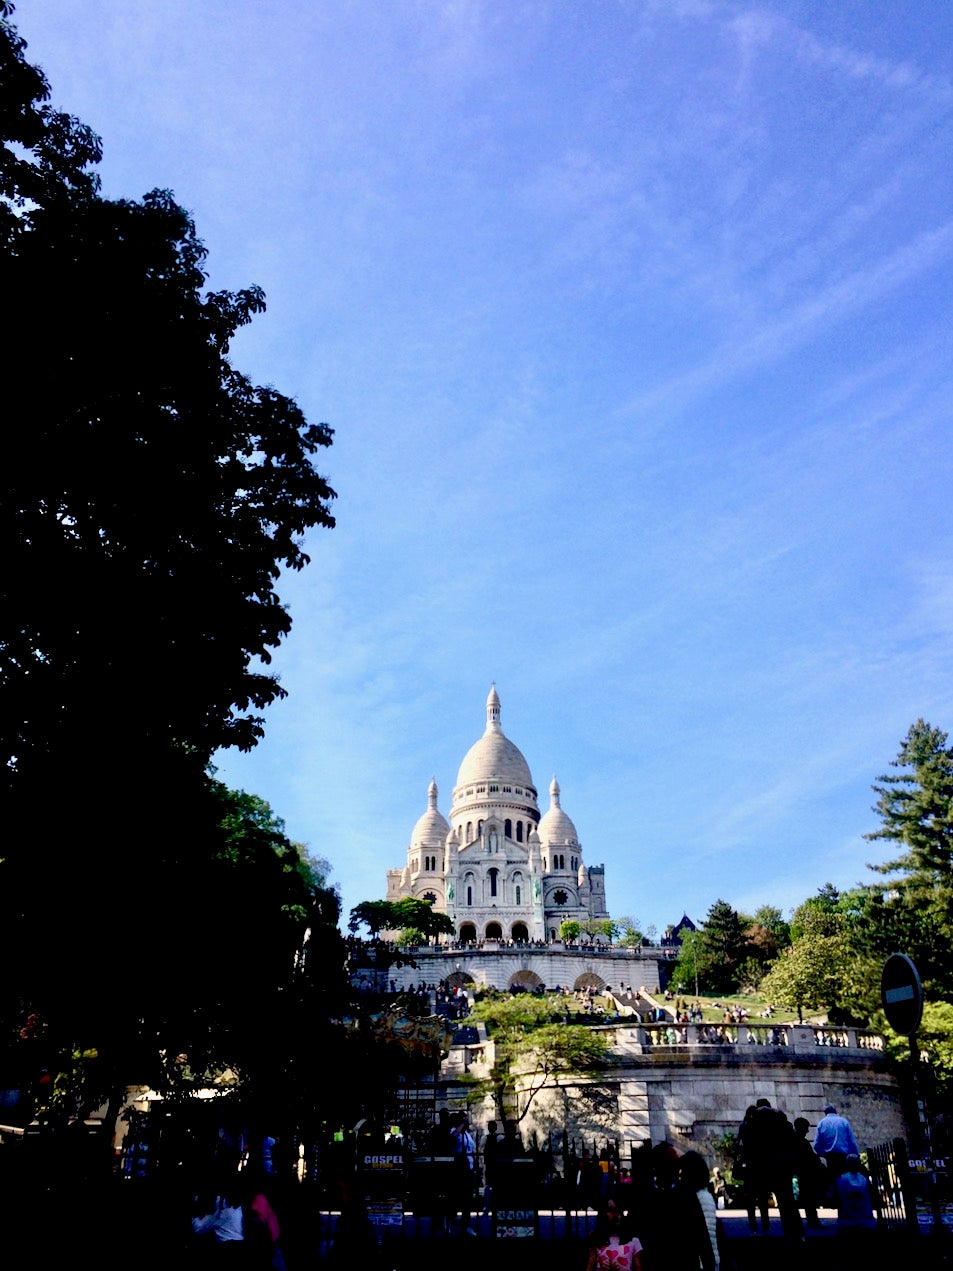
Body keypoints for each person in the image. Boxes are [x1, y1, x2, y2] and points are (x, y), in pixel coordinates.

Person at [586, 1197, 642, 1271]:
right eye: (610, 1211)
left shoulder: (634, 1240)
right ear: (604, 1214)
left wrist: (623, 1269)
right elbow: (589, 1266)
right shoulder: (596, 1239)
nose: (615, 1215)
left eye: (617, 1210)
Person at [792, 1117, 826, 1228]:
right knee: (810, 1198)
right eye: (806, 1128)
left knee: (808, 1198)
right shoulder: (802, 1142)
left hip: (802, 1172)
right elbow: (811, 1158)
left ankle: (811, 1219)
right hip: (807, 1173)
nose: (807, 1131)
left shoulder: (795, 1140)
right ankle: (813, 1220)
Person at [813, 1104, 860, 1181]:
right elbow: (851, 1141)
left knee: (833, 1181)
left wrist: (823, 1153)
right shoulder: (844, 1122)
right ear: (835, 1111)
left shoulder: (821, 1123)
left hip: (830, 1158)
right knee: (844, 1180)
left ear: (825, 1112)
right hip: (843, 1157)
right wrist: (856, 1155)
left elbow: (816, 1145)